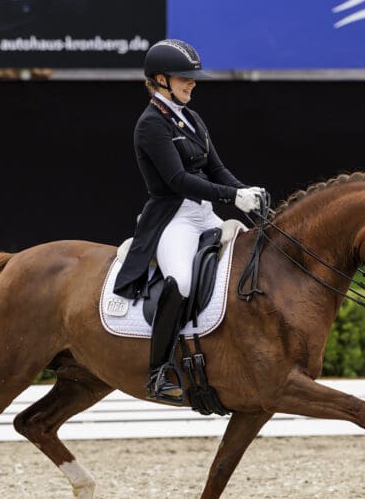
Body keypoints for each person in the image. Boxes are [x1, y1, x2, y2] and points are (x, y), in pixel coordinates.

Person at [112, 38, 267, 404]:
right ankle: (158, 371)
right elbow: (178, 180)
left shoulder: (192, 118)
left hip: (203, 212)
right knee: (180, 281)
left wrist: (247, 192)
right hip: (173, 218)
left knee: (252, 263)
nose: (193, 83)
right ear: (161, 80)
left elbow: (217, 169)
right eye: (185, 78)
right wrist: (231, 198)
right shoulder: (150, 125)